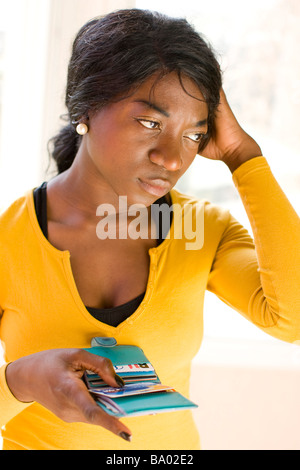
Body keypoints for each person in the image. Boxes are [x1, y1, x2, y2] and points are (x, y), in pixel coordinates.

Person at [0, 8, 299, 451]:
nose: (173, 158)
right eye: (150, 123)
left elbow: (291, 320)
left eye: (194, 135)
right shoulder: (10, 239)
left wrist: (241, 155)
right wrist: (21, 380)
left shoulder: (204, 230)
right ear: (86, 108)